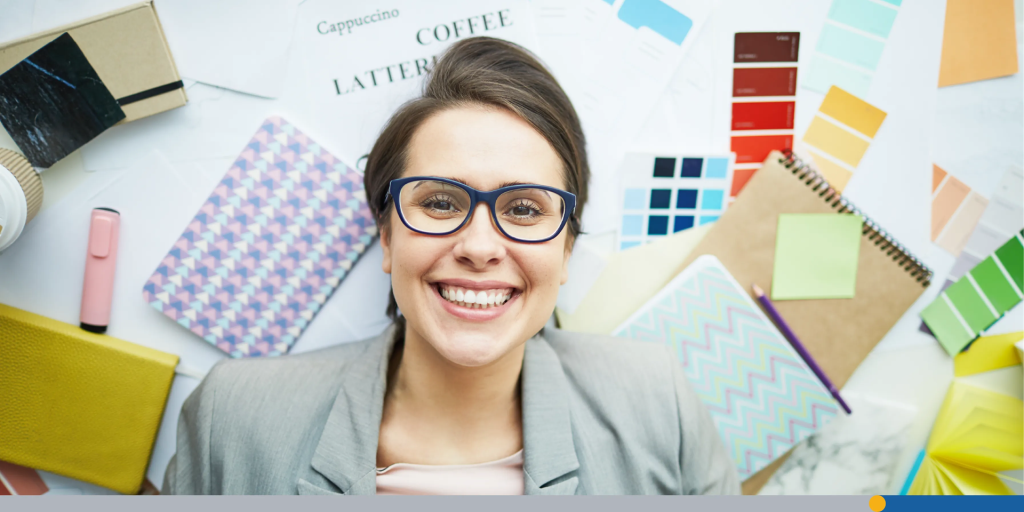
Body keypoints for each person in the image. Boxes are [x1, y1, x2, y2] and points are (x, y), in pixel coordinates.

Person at [162, 36, 739, 496]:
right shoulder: (230, 421)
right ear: (386, 237)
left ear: (565, 250)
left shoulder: (660, 406)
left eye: (523, 208)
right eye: (440, 202)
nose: (481, 246)